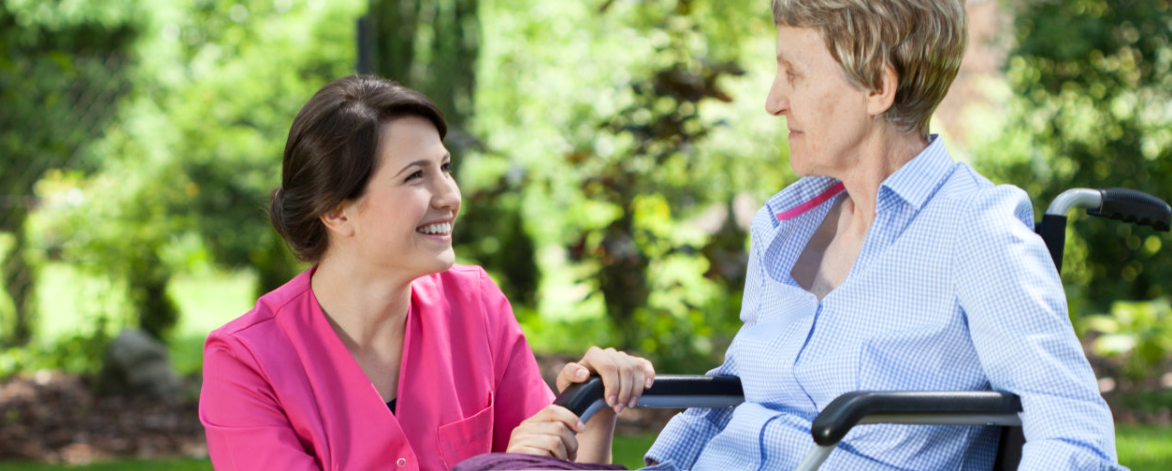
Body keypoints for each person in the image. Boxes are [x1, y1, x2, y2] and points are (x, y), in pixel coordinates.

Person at [459, 0, 1126, 469]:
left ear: (878, 87)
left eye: (795, 73)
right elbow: (750, 391)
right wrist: (609, 404)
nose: (773, 100)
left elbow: (1071, 430)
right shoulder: (788, 224)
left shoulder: (976, 231)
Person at [198, 75, 655, 471]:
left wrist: (591, 411)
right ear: (337, 212)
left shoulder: (476, 304)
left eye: (445, 167)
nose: (449, 195)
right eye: (415, 176)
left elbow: (547, 463)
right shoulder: (245, 362)